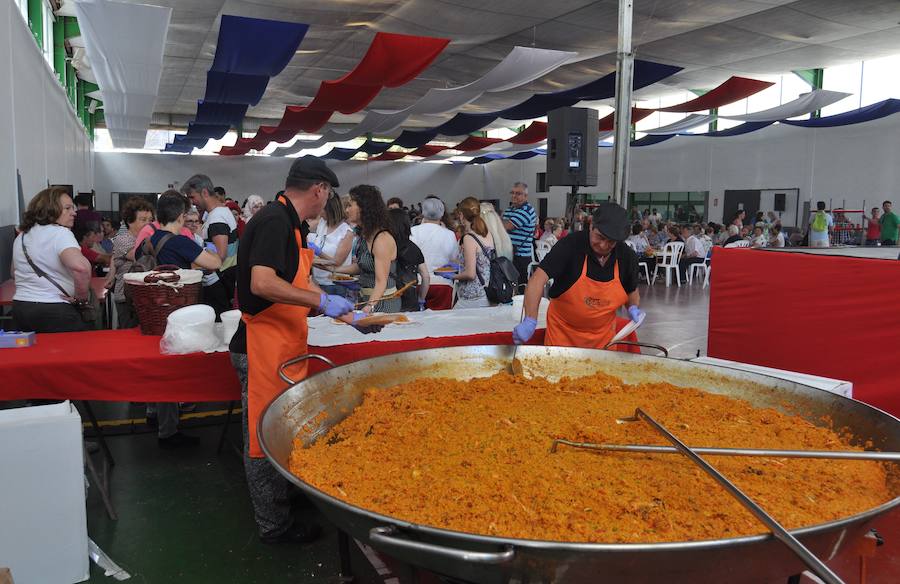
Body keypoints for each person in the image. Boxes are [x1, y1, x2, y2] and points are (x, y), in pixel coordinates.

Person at [229, 156, 377, 545]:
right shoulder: (274, 222)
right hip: (260, 345)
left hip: (282, 343)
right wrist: (323, 302)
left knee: (283, 427)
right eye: (328, 194)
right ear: (319, 190)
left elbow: (298, 282)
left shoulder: (290, 224)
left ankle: (286, 498)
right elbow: (262, 283)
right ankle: (273, 525)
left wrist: (348, 317)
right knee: (262, 435)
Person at [513, 202, 643, 349]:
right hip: (562, 338)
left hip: (603, 343)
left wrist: (633, 308)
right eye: (599, 237)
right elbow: (537, 279)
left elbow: (631, 289)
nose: (603, 245)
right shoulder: (570, 245)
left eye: (611, 242)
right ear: (591, 225)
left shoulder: (627, 257)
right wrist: (530, 319)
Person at [12, 187, 93, 333]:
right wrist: (82, 299)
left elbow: (13, 272)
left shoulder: (22, 236)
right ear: (50, 210)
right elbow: (81, 268)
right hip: (55, 311)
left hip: (21, 308)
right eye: (67, 208)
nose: (74, 213)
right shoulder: (60, 233)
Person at [335, 185, 401, 314]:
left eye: (350, 205)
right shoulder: (364, 235)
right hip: (367, 299)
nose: (346, 210)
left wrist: (369, 307)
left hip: (383, 303)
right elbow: (363, 266)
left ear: (364, 207)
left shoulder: (381, 239)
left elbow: (381, 281)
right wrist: (334, 269)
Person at [183, 174, 239, 302]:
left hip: (220, 281)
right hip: (225, 278)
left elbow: (220, 256)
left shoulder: (217, 218)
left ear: (204, 193)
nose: (191, 202)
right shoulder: (221, 212)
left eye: (192, 197)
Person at [110, 197, 155, 328]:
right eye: (143, 220)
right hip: (126, 297)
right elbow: (140, 257)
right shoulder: (123, 240)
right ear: (130, 221)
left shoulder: (147, 239)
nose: (148, 224)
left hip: (143, 296)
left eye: (150, 220)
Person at [443, 197, 493, 309]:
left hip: (472, 295)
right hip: (486, 291)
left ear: (461, 215)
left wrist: (453, 276)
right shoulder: (487, 233)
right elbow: (481, 262)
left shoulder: (469, 238)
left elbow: (470, 274)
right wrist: (458, 264)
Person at [411, 197, 458, 310]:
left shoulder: (413, 231)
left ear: (423, 212)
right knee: (441, 323)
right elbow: (454, 260)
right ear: (442, 214)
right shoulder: (450, 234)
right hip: (442, 284)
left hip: (418, 282)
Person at [308, 192, 355, 298]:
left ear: (330, 210)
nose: (319, 212)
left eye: (322, 209)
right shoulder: (322, 223)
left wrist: (318, 252)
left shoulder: (346, 232)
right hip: (318, 282)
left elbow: (337, 262)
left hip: (335, 286)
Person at [388, 208, 429, 311]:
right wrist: (421, 299)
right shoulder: (414, 248)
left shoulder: (385, 247)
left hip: (388, 300)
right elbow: (426, 277)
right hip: (411, 301)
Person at [502, 182, 537, 286]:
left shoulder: (527, 210)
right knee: (508, 287)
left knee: (520, 289)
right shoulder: (510, 209)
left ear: (525, 196)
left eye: (518, 193)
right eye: (512, 192)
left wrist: (496, 221)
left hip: (520, 257)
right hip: (509, 255)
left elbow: (506, 226)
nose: (514, 195)